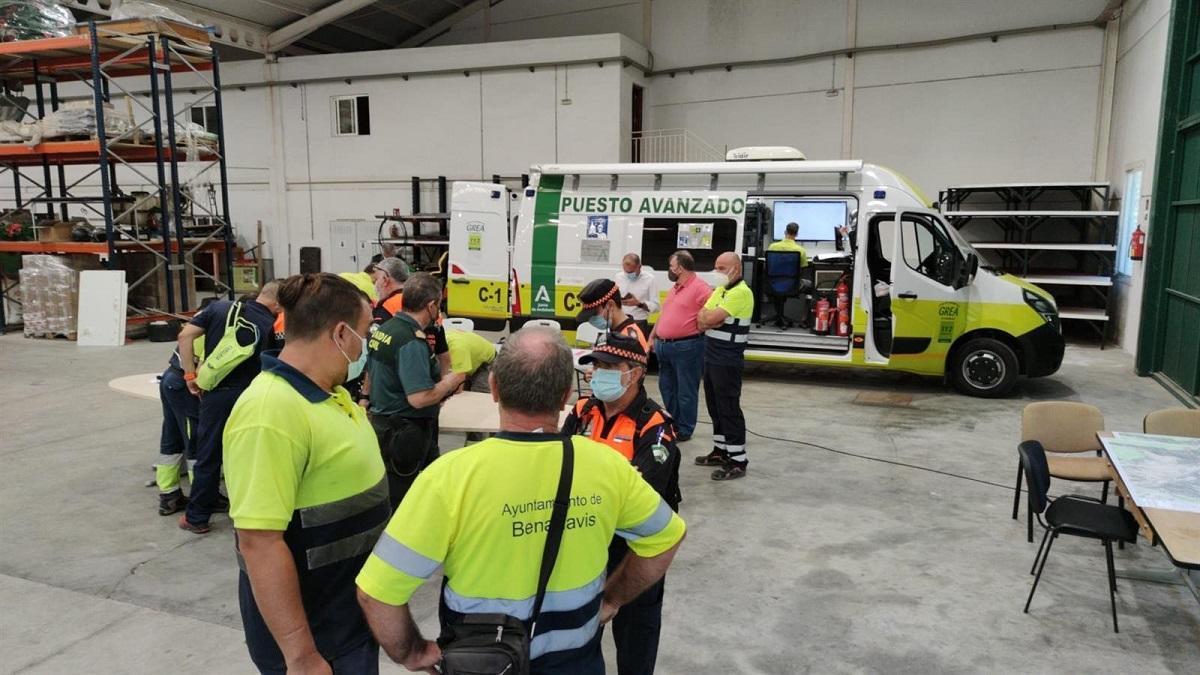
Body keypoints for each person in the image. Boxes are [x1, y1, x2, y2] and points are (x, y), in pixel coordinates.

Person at [355, 327, 687, 674]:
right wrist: (612, 598)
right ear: (564, 397)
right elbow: (666, 537)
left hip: (481, 659)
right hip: (576, 660)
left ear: (494, 389)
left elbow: (376, 593)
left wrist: (413, 652)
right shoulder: (609, 467)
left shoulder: (449, 476)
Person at [224, 273, 390, 674]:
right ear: (340, 334)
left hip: (348, 622)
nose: (366, 345)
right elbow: (259, 543)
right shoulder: (270, 413)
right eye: (365, 333)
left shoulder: (330, 394)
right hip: (318, 642)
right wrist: (300, 656)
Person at [560, 333, 682, 675]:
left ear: (637, 372)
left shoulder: (654, 425)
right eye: (597, 365)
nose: (600, 373)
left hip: (633, 552)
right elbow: (557, 464)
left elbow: (642, 495)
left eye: (611, 366)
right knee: (578, 639)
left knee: (636, 638)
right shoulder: (583, 412)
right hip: (584, 544)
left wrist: (584, 489)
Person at [178, 283, 282, 534]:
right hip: (252, 396)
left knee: (209, 455)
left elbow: (184, 335)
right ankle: (249, 513)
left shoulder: (220, 308)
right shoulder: (272, 326)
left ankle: (197, 517)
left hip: (216, 395)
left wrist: (190, 374)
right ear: (278, 304)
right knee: (249, 456)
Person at [366, 272, 466, 509]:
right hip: (405, 434)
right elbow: (420, 398)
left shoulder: (386, 329)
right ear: (431, 305)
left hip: (385, 425)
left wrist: (364, 399)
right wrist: (452, 382)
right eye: (439, 306)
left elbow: (370, 371)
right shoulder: (411, 341)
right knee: (406, 502)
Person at [695, 252, 754, 480]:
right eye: (716, 267)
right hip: (711, 357)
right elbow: (700, 318)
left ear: (735, 269)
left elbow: (708, 319)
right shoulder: (721, 290)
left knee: (728, 408)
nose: (716, 271)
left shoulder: (741, 292)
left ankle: (738, 460)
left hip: (728, 360)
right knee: (714, 407)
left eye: (721, 267)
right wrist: (708, 318)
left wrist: (710, 318)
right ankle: (721, 450)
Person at [648, 251, 710, 443]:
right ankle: (674, 422)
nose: (670, 270)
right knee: (666, 387)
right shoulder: (676, 287)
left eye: (671, 266)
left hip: (687, 347)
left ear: (680, 268)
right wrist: (652, 336)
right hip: (664, 346)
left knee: (686, 390)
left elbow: (713, 313)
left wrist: (701, 326)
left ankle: (685, 428)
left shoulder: (701, 288)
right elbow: (665, 315)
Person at [153, 334, 202, 515]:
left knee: (172, 438)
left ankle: (169, 495)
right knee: (195, 441)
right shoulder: (215, 327)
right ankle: (203, 496)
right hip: (184, 385)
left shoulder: (199, 324)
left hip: (170, 379)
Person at [576, 278, 649, 350]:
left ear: (610, 305)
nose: (591, 319)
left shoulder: (628, 340)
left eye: (595, 313)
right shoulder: (617, 332)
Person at [767, 222, 810, 329]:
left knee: (774, 289)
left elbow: (768, 267)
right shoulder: (801, 250)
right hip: (792, 285)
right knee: (812, 287)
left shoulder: (772, 247)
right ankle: (804, 321)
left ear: (785, 232)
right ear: (797, 234)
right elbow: (804, 269)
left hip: (774, 284)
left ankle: (778, 316)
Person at [613, 253, 659, 324]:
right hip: (620, 321)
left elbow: (656, 307)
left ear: (639, 266)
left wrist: (639, 304)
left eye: (631, 272)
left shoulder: (649, 279)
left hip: (639, 321)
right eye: (626, 272)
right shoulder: (618, 277)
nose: (628, 274)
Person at [371, 258, 408, 323]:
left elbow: (376, 332)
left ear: (385, 280)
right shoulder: (417, 300)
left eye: (376, 279)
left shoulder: (386, 307)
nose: (375, 284)